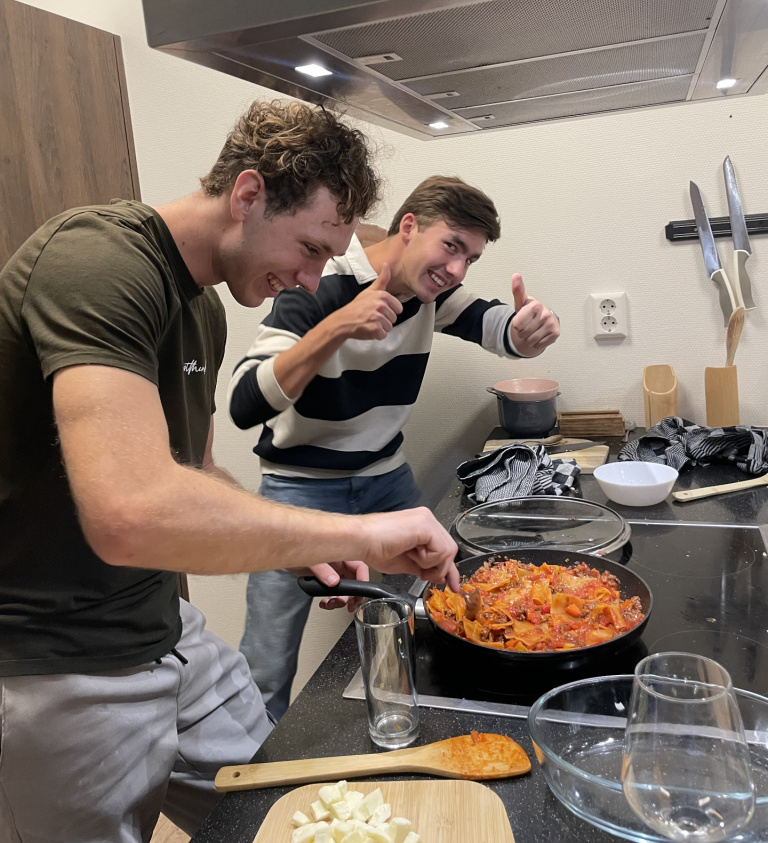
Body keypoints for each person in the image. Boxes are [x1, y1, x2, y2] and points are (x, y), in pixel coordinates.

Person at [0, 101, 461, 843]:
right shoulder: (97, 260)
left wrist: (304, 539)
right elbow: (130, 512)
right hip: (60, 665)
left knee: (318, 815)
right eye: (310, 248)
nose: (313, 279)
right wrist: (363, 529)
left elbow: (199, 469)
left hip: (167, 634)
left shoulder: (205, 308)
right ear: (248, 194)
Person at [229, 175, 561, 718]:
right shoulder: (321, 281)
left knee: (439, 609)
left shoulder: (434, 290)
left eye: (470, 258)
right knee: (266, 663)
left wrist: (526, 336)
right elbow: (244, 402)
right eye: (451, 245)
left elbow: (501, 327)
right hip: (297, 490)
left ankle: (416, 726)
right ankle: (251, 785)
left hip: (386, 477)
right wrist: (334, 329)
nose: (456, 269)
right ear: (409, 227)